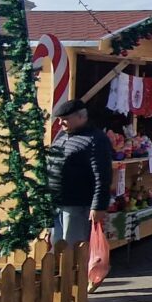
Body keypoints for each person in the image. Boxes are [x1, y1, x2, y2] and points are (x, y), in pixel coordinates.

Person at [46, 100, 113, 247]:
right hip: (57, 202)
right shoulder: (62, 137)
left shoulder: (96, 140)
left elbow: (102, 176)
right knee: (56, 246)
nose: (60, 123)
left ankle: (76, 270)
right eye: (59, 119)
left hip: (78, 204)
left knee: (73, 248)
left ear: (81, 117)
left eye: (65, 119)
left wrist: (98, 206)